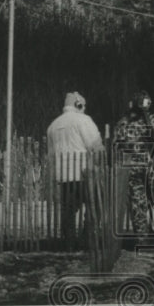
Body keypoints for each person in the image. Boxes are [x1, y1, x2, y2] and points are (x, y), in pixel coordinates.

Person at [46, 91, 104, 249]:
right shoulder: (83, 120)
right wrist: (99, 165)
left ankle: (69, 244)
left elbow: (51, 156)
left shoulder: (53, 126)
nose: (84, 109)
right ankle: (87, 239)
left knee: (68, 212)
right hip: (84, 174)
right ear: (78, 105)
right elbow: (96, 146)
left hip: (64, 177)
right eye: (83, 106)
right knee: (95, 206)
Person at [113, 90, 154, 235]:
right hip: (152, 167)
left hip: (131, 168)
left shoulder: (123, 122)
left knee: (138, 204)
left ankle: (142, 236)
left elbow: (116, 146)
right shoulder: (153, 120)